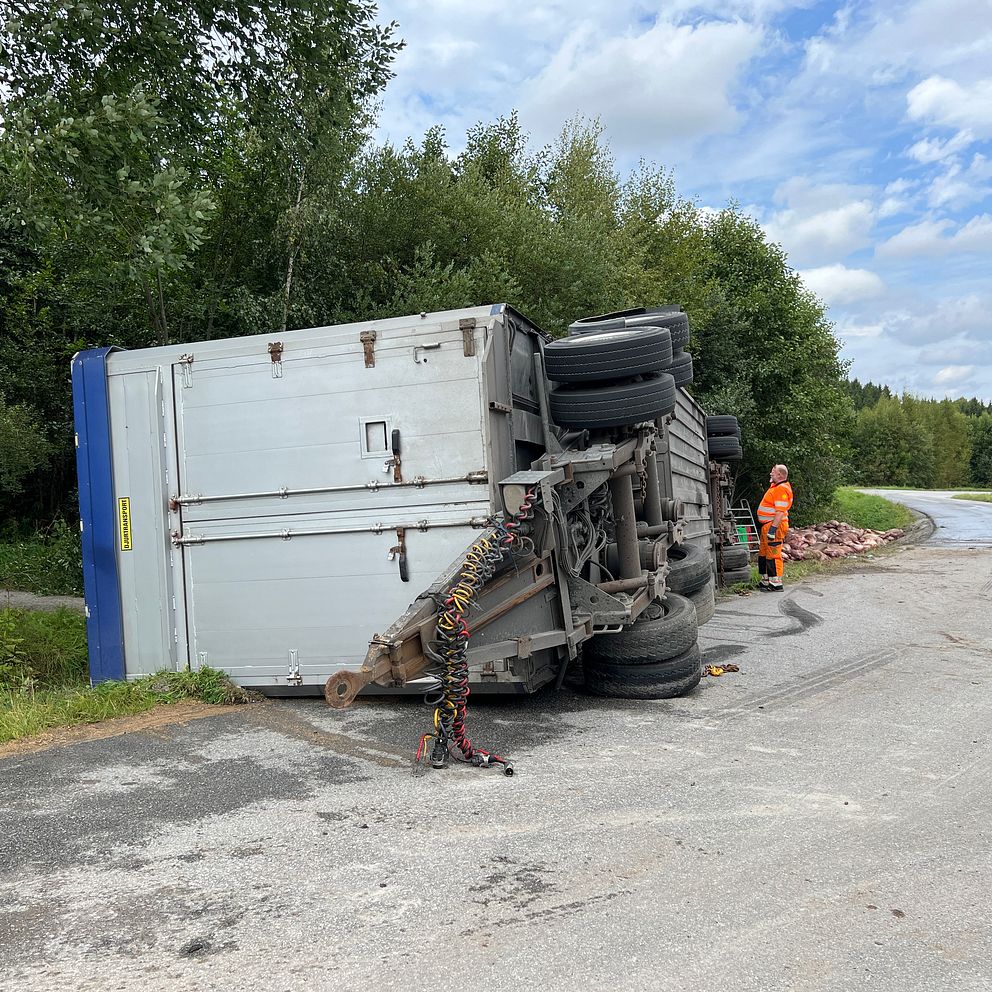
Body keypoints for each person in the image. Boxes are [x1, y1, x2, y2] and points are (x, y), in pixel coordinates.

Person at [756, 464, 793, 591]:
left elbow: (780, 512)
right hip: (768, 525)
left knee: (773, 553)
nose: (770, 473)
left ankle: (776, 582)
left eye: (773, 471)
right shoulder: (776, 487)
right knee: (764, 552)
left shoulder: (781, 489)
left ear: (779, 475)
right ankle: (766, 580)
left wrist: (773, 529)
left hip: (775, 525)